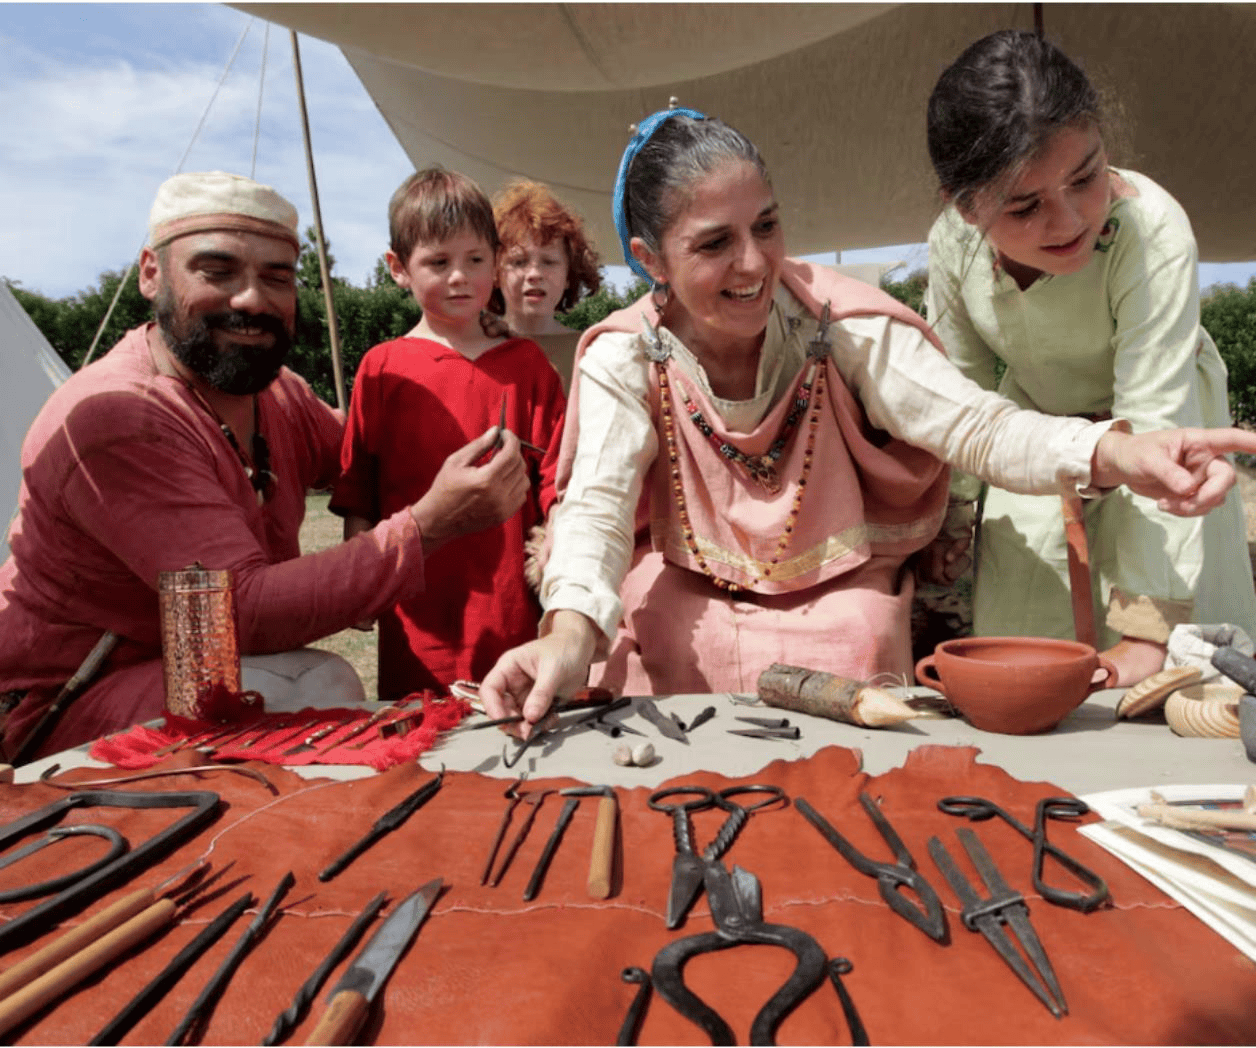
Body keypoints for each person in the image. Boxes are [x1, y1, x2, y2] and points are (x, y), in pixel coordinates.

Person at [478, 106, 1256, 734]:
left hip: (836, 584)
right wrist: (570, 635)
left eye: (769, 226)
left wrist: (1121, 454)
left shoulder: (838, 323)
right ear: (651, 259)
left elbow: (977, 427)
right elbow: (598, 510)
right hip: (688, 580)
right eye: (716, 244)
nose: (756, 264)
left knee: (855, 630)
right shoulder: (625, 357)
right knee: (656, 621)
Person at [0, 171, 528, 759]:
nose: (252, 299)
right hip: (67, 707)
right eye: (218, 271)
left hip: (204, 669)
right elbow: (240, 614)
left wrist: (473, 358)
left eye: (276, 277)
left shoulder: (277, 396)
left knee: (311, 689)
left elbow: (380, 455)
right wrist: (429, 525)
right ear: (152, 273)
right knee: (318, 688)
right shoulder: (117, 417)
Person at [924, 30, 1256, 686]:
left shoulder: (1152, 232)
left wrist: (1147, 630)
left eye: (1087, 176)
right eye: (1026, 205)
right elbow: (957, 395)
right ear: (966, 207)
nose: (1071, 218)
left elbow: (1154, 426)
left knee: (1166, 680)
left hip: (1163, 433)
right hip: (1038, 442)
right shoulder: (950, 245)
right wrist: (951, 521)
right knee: (1027, 658)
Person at [331, 168, 566, 700]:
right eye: (439, 262)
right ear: (398, 268)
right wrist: (361, 584)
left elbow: (556, 475)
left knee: (519, 734)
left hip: (512, 614)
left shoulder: (528, 366)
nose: (460, 277)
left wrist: (558, 539)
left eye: (475, 260)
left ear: (495, 259)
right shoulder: (381, 368)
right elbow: (359, 489)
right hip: (418, 618)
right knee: (423, 744)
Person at [491, 179, 602, 392]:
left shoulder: (590, 354)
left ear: (570, 273)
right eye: (519, 262)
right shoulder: (474, 347)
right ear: (495, 271)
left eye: (549, 262)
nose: (535, 274)